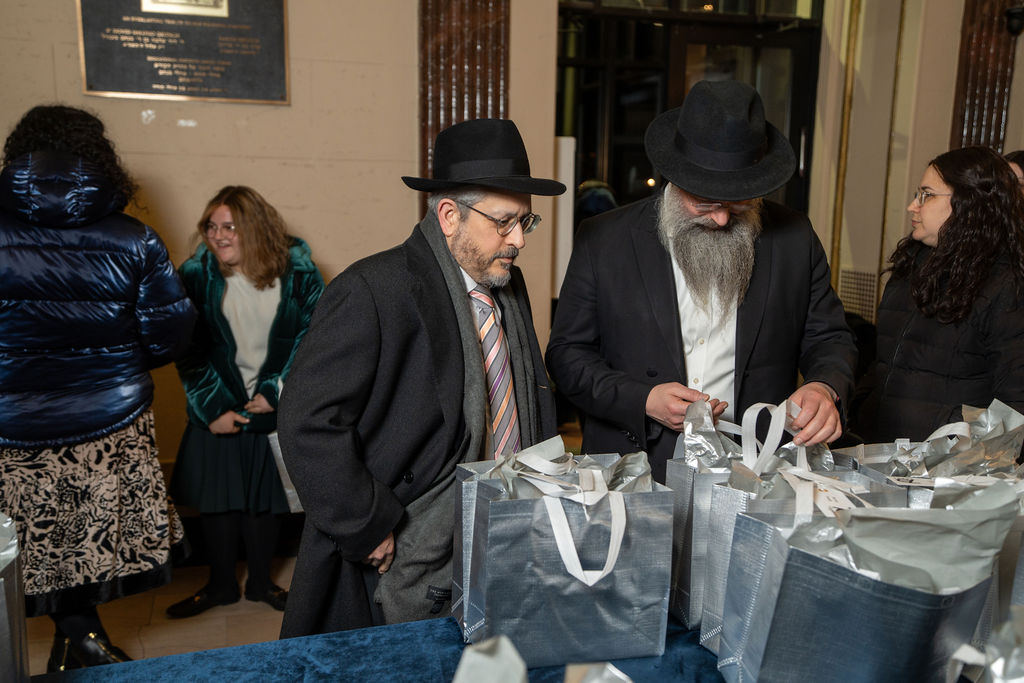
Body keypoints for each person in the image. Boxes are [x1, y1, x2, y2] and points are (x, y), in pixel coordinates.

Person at [277, 118, 564, 636]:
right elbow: (307, 420)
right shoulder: (373, 289)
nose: (519, 239)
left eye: (526, 221)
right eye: (504, 222)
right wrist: (364, 524)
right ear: (449, 216)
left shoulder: (507, 284)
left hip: (506, 535)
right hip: (405, 550)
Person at [546, 80, 858, 482]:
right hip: (634, 470)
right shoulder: (605, 239)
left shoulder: (795, 238)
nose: (723, 219)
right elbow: (567, 355)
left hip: (756, 469)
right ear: (674, 178)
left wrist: (824, 387)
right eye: (706, 201)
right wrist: (644, 399)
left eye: (739, 202)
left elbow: (830, 338)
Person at [0, 105, 196, 670]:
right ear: (97, 156)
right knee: (85, 536)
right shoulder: (134, 239)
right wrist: (116, 365)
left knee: (32, 540)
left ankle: (75, 640)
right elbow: (170, 333)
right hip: (109, 417)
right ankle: (82, 638)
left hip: (10, 423)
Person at [166, 186, 324, 618]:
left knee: (265, 501)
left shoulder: (299, 273)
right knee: (219, 501)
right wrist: (213, 407)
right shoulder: (195, 274)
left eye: (229, 227)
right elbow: (187, 348)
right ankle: (219, 586)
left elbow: (315, 338)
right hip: (218, 408)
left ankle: (260, 584)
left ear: (255, 228)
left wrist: (277, 391)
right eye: (211, 226)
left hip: (271, 409)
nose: (217, 235)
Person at [851, 146, 1024, 442]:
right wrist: (857, 410)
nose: (912, 206)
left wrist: (953, 455)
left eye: (926, 195)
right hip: (880, 451)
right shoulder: (908, 266)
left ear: (969, 202)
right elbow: (884, 365)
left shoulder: (1006, 285)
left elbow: (1014, 406)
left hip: (946, 464)